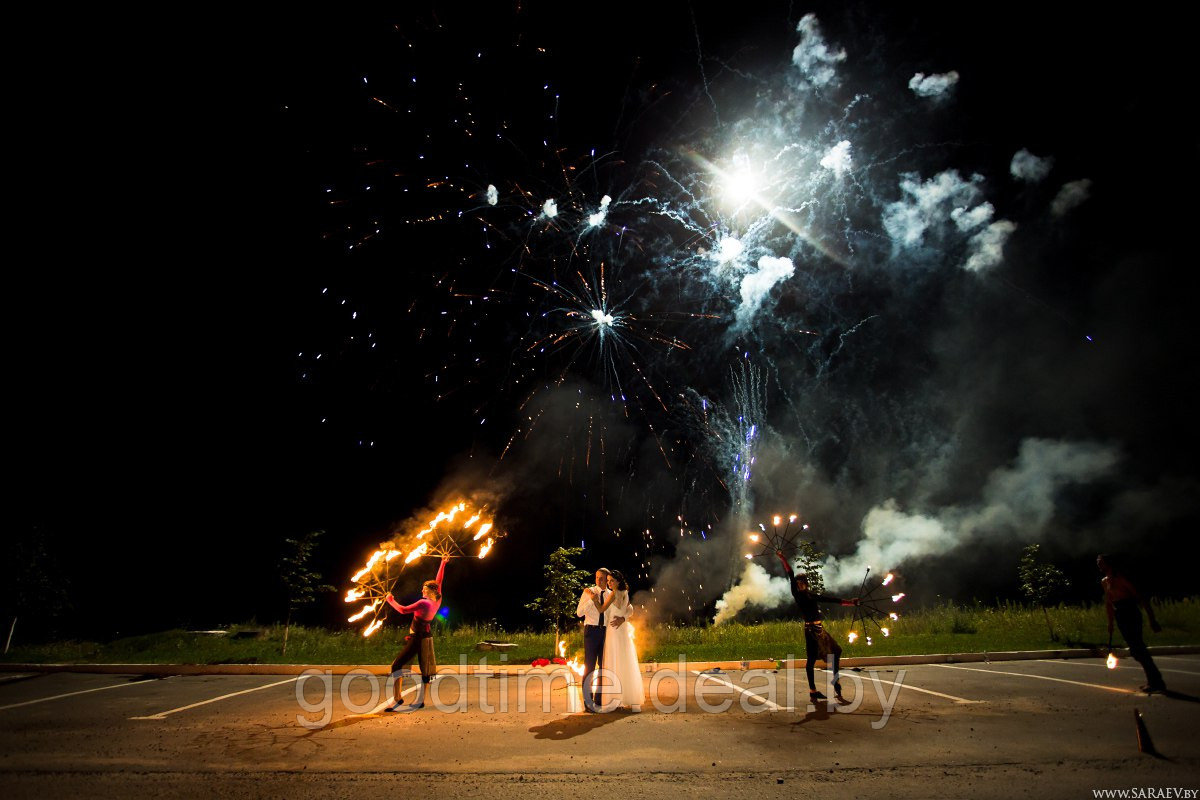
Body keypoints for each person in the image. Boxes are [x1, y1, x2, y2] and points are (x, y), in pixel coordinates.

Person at [777, 549, 858, 703]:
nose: (800, 584)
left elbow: (832, 600)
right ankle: (813, 691)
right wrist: (782, 557)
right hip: (810, 630)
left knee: (836, 651)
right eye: (798, 583)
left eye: (802, 583)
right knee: (811, 660)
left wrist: (851, 602)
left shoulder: (810, 595)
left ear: (806, 584)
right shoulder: (797, 594)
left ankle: (836, 682)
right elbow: (790, 572)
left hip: (820, 629)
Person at [382, 555, 448, 711]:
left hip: (417, 638)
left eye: (424, 589)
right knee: (425, 668)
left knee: (397, 664)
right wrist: (443, 563)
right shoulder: (437, 601)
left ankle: (397, 698)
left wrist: (390, 600)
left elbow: (403, 610)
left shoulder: (423, 602)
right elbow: (439, 581)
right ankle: (421, 700)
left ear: (431, 591)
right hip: (426, 638)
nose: (422, 590)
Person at [1098, 554, 1166, 694]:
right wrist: (1110, 623)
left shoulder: (1121, 578)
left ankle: (1156, 681)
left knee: (1138, 648)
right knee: (1135, 650)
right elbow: (1109, 604)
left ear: (1108, 563)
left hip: (1130, 612)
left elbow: (1140, 598)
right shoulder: (1105, 582)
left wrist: (1152, 619)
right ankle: (1153, 680)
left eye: (1101, 562)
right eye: (1098, 562)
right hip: (1120, 614)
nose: (1099, 564)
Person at [596, 570, 643, 712]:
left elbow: (601, 609)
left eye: (611, 581)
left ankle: (614, 700)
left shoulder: (613, 594)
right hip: (622, 631)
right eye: (608, 581)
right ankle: (628, 698)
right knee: (624, 661)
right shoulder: (625, 593)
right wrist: (623, 618)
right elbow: (630, 610)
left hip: (614, 631)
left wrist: (593, 599)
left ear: (618, 581)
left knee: (614, 661)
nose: (609, 583)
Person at [575, 568, 611, 712]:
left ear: (607, 580)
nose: (598, 580)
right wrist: (592, 600)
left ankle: (599, 699)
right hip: (591, 631)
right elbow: (579, 613)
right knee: (589, 666)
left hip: (606, 632)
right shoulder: (588, 592)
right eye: (597, 577)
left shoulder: (610, 594)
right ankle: (588, 702)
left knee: (603, 666)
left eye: (602, 578)